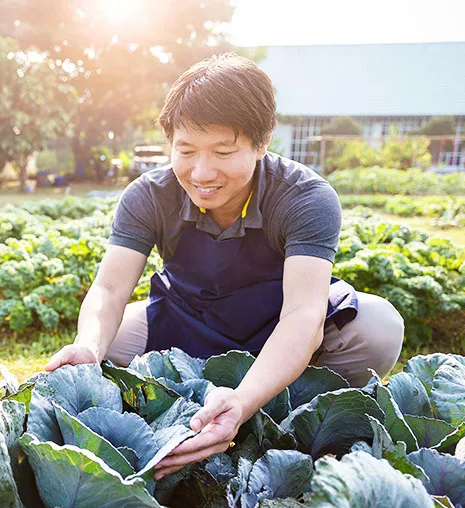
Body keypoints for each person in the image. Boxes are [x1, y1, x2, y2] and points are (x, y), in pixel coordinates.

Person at [43, 52, 404, 480]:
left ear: (261, 144)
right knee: (110, 340)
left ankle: (275, 393)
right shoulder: (149, 195)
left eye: (223, 151)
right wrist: (89, 344)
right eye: (186, 150)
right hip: (190, 317)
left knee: (379, 329)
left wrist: (244, 401)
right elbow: (109, 289)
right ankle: (212, 387)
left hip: (280, 321)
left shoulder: (305, 197)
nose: (201, 172)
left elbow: (303, 314)